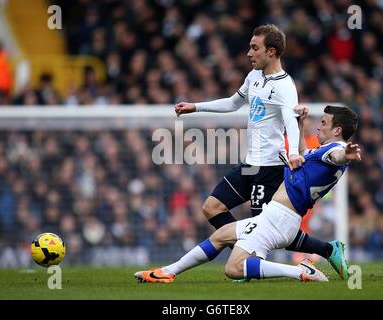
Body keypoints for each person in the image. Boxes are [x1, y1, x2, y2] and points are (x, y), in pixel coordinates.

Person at [174, 24, 348, 279]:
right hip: (250, 164)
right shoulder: (253, 77)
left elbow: (290, 120)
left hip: (271, 169)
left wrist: (293, 153)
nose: (248, 53)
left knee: (269, 232)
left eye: (254, 48)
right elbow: (233, 103)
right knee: (212, 208)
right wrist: (195, 107)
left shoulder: (285, 86)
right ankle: (249, 259)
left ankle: (320, 250)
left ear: (272, 51)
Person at [135, 105, 360, 283]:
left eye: (324, 123)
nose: (319, 127)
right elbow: (302, 152)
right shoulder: (322, 151)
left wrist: (346, 153)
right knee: (221, 234)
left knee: (233, 268)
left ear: (337, 130)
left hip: (280, 218)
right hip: (279, 216)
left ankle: (300, 271)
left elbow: (338, 155)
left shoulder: (334, 150)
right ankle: (167, 271)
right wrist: (299, 124)